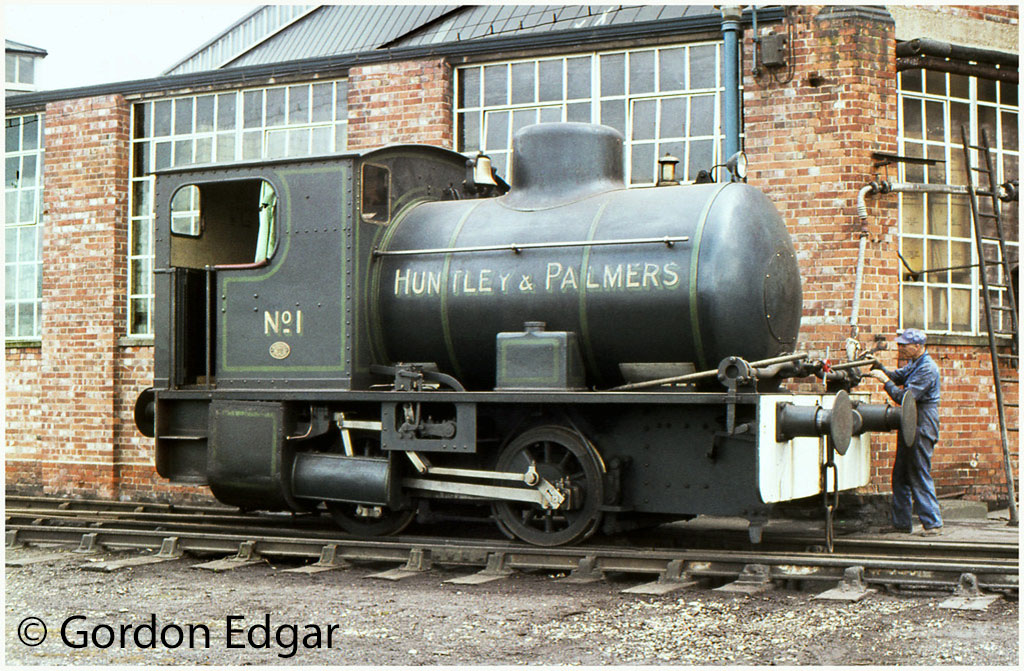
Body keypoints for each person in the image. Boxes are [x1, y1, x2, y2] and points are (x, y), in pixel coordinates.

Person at [867, 328, 943, 536]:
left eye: (904, 345)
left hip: (922, 421)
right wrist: (879, 367)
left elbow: (904, 398)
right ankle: (901, 523)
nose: (899, 348)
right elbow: (897, 376)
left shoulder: (927, 369)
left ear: (917, 346)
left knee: (918, 471)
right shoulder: (915, 364)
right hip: (909, 420)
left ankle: (933, 523)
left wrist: (885, 382)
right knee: (900, 474)